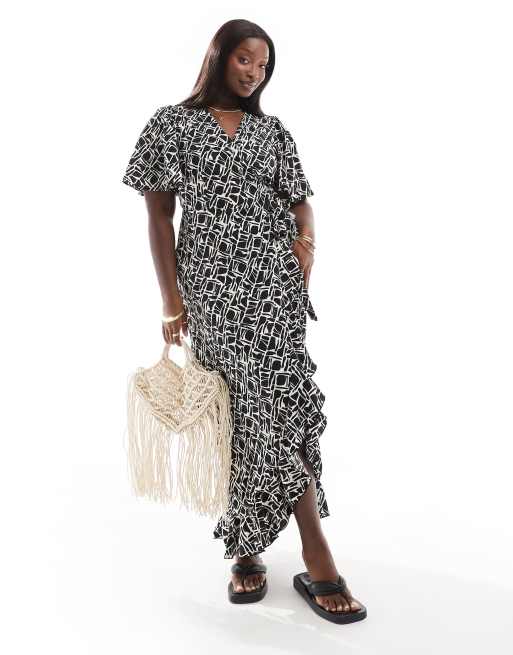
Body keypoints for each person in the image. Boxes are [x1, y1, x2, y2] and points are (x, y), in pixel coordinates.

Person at [122, 18, 366, 623]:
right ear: (220, 56)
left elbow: (300, 201)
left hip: (274, 293)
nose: (255, 72)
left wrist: (304, 252)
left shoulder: (272, 132)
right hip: (211, 295)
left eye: (264, 65)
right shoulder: (170, 125)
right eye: (246, 59)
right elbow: (158, 218)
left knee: (281, 408)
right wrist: (171, 301)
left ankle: (314, 551)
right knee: (235, 417)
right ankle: (246, 547)